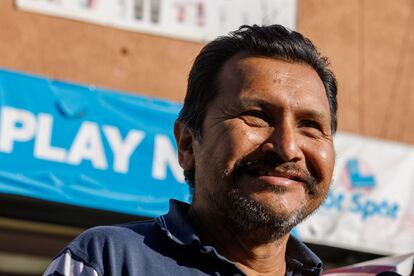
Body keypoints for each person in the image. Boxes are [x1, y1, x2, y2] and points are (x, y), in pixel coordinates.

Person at [43, 24, 337, 276]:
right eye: (257, 116)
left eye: (310, 125)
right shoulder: (109, 260)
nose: (287, 148)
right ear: (187, 144)